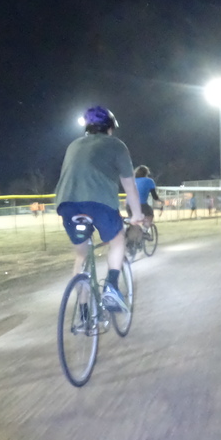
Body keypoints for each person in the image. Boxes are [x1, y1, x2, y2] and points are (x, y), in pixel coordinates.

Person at [55, 106, 144, 311]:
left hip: (66, 204)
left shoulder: (73, 145)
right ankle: (111, 288)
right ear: (110, 128)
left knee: (82, 255)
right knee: (117, 240)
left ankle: (83, 312)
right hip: (99, 202)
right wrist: (137, 214)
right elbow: (129, 185)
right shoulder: (116, 145)